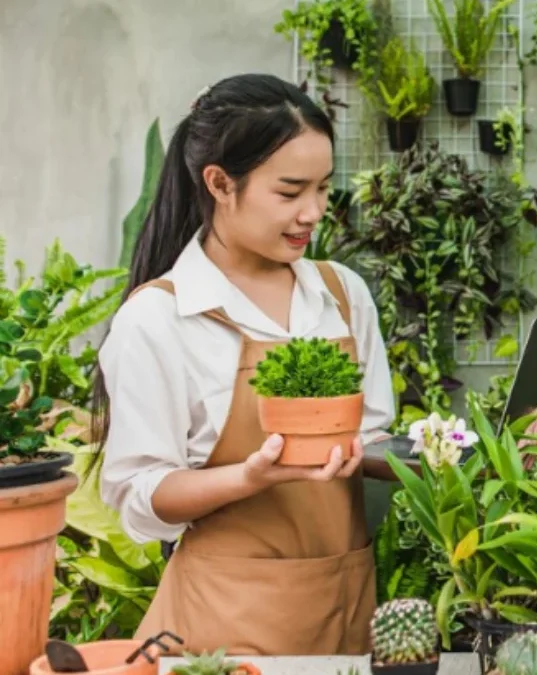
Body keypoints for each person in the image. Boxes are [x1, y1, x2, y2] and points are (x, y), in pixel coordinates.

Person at [91, 73, 396, 655]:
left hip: (345, 608)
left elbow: (371, 433)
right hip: (220, 629)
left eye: (324, 189)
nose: (313, 212)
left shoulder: (341, 294)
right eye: (290, 192)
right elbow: (141, 494)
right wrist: (250, 478)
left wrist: (445, 455)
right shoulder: (160, 320)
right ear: (219, 183)